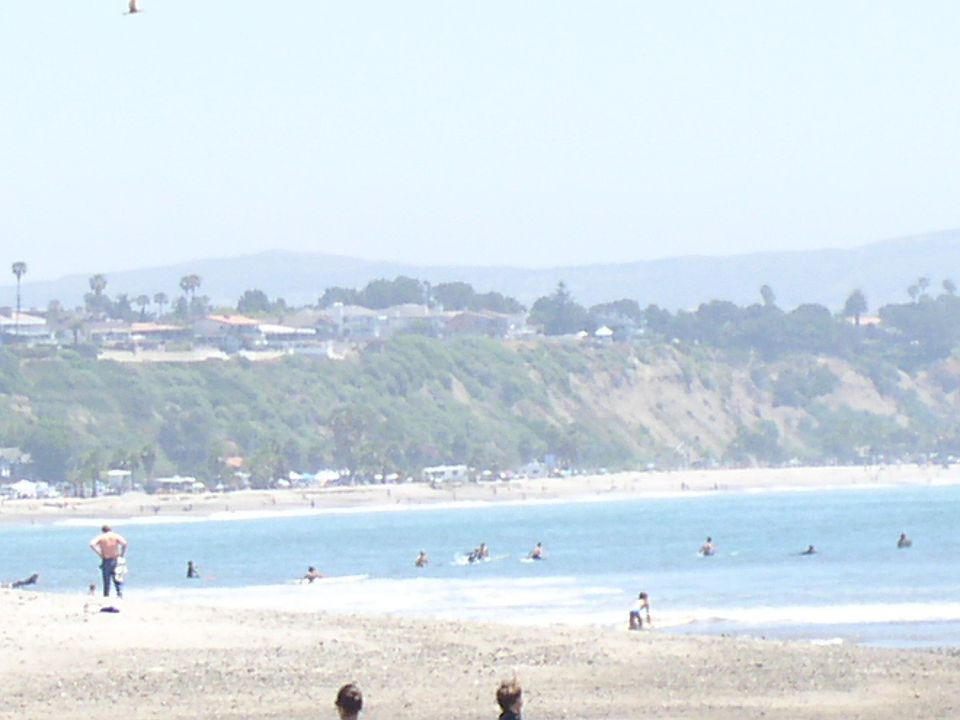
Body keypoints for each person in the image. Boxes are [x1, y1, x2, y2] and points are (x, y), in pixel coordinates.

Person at [89, 524, 128, 598]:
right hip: (115, 558)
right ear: (110, 529)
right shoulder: (115, 536)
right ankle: (119, 594)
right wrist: (122, 554)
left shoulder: (101, 537)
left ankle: (106, 595)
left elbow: (92, 544)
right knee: (117, 577)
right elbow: (125, 543)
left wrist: (99, 553)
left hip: (106, 559)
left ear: (103, 530)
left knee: (106, 579)